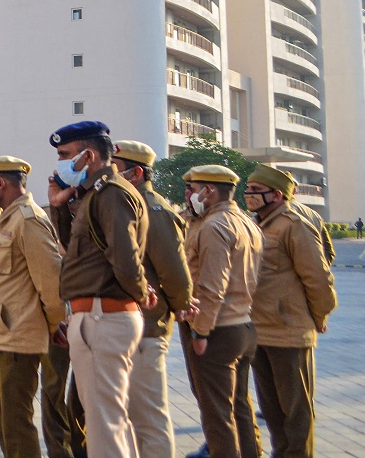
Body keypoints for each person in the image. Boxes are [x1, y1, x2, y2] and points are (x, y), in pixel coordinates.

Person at [47, 121, 153, 458]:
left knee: (104, 424)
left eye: (65, 155)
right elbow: (75, 249)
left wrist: (139, 291)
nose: (60, 163)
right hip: (96, 316)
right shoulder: (93, 194)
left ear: (88, 155)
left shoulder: (111, 194)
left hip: (103, 317)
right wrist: (59, 203)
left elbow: (124, 258)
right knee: (109, 421)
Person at [0, 156, 68, 457]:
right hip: (1, 336)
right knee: (5, 422)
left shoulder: (28, 220)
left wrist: (54, 325)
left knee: (16, 425)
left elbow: (51, 283)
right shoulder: (8, 219)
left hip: (18, 339)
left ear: (1, 183)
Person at [245, 164, 336, 458]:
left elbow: (318, 276)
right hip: (259, 330)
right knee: (272, 410)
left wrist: (318, 316)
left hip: (289, 332)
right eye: (248, 190)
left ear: (278, 195)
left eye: (256, 191)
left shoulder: (293, 223)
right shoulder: (258, 223)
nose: (249, 196)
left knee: (296, 412)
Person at [112, 141, 194, 458]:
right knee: (127, 418)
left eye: (115, 169)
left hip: (146, 327)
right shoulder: (124, 204)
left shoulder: (154, 210)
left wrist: (180, 305)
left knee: (149, 419)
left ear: (135, 173)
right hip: (121, 326)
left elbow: (174, 272)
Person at [180, 165, 263, 458]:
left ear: (209, 191)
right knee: (240, 408)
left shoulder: (215, 227)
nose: (188, 196)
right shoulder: (245, 222)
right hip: (243, 323)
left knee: (217, 417)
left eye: (192, 189)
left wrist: (200, 330)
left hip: (218, 328)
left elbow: (212, 286)